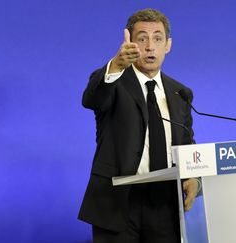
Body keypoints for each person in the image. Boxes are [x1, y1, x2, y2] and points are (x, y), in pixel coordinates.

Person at [78, 8, 201, 243]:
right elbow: (92, 99)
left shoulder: (180, 92)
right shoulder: (113, 80)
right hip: (118, 203)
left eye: (157, 38)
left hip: (165, 205)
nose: (149, 47)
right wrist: (115, 65)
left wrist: (195, 179)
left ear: (168, 45)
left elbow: (187, 144)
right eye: (142, 39)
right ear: (131, 43)